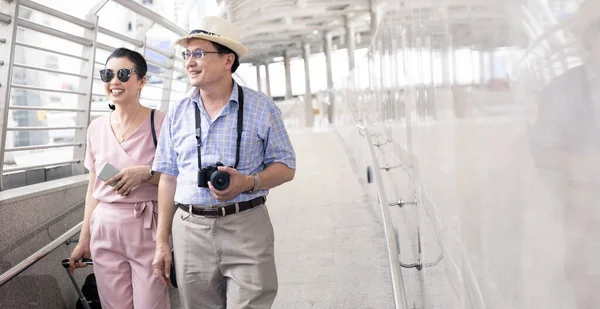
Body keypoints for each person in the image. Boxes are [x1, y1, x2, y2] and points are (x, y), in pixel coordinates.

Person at [150, 16, 296, 309]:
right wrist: (162, 241)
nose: (189, 62)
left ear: (228, 60)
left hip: (247, 224)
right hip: (190, 230)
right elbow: (167, 177)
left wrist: (249, 182)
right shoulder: (177, 113)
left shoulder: (261, 107)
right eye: (186, 55)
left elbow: (286, 166)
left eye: (199, 53)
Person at [69, 47, 170, 309]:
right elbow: (93, 188)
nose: (114, 81)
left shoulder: (161, 123)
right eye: (108, 74)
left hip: (147, 227)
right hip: (105, 227)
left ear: (142, 81)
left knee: (151, 304)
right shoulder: (95, 128)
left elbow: (179, 179)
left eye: (124, 74)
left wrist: (146, 174)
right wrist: (84, 239)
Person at [530, 1, 600, 307]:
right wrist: (579, 164)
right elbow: (542, 152)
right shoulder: (561, 90)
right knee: (584, 280)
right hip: (583, 207)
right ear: (587, 38)